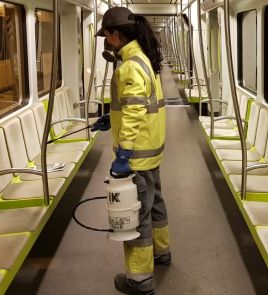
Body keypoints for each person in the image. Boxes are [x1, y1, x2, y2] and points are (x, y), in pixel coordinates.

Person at [96, 7, 169, 295]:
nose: (105, 41)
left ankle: (139, 279)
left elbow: (136, 109)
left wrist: (123, 154)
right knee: (155, 204)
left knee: (137, 215)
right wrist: (110, 117)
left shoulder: (130, 66)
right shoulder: (143, 59)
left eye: (106, 36)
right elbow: (134, 105)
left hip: (137, 154)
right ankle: (162, 252)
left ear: (116, 35)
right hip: (152, 150)